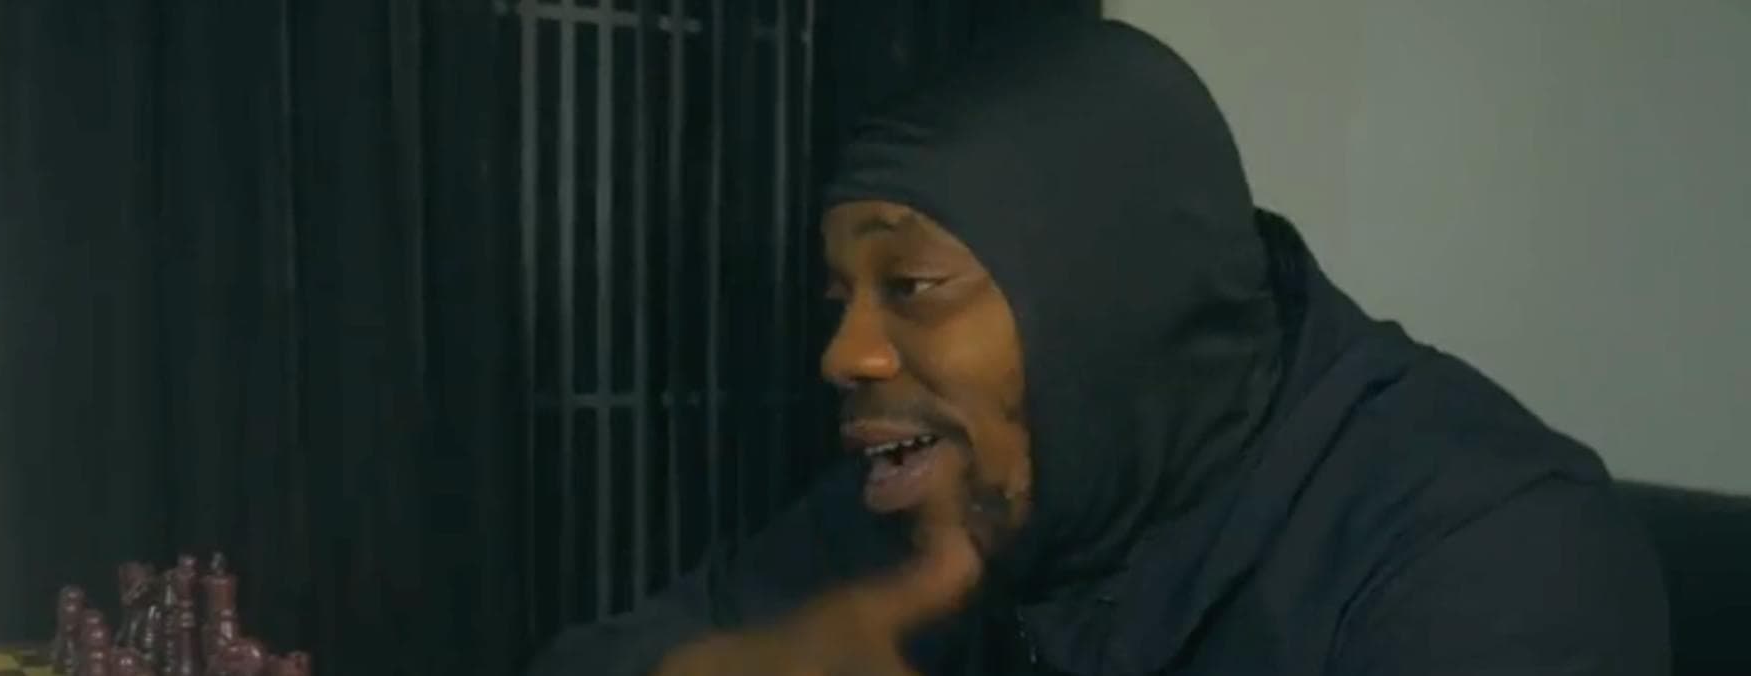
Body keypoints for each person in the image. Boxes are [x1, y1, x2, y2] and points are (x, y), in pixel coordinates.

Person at [524, 15, 1670, 676]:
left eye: (909, 285)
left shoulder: (1495, 563)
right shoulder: (939, 496)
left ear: (1103, 294)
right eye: (841, 298)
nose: (846, 352)